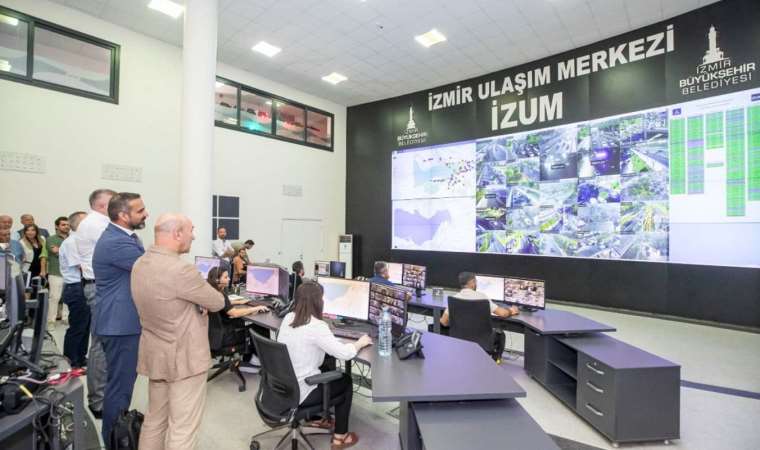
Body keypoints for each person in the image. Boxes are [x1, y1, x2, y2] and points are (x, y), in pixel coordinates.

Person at [131, 213, 226, 450]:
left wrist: (194, 302)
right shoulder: (181, 271)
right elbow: (217, 302)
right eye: (191, 230)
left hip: (156, 353)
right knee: (182, 428)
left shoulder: (140, 264)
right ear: (177, 234)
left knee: (154, 420)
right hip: (185, 358)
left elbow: (167, 300)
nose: (193, 236)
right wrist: (199, 301)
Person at [277, 281, 373, 449]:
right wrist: (360, 343)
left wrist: (329, 339)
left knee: (327, 368)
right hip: (302, 391)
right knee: (345, 381)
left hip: (281, 387)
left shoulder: (288, 318)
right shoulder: (317, 326)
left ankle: (319, 419)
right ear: (318, 302)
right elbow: (345, 354)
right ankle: (340, 437)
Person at [92, 192, 148, 444]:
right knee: (119, 388)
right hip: (120, 324)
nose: (146, 213)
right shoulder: (116, 242)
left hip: (120, 322)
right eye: (140, 210)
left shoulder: (124, 236)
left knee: (121, 385)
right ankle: (115, 441)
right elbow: (152, 269)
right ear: (123, 216)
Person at [75, 188, 116, 419]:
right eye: (114, 203)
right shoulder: (98, 225)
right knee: (101, 344)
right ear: (102, 205)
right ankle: (98, 401)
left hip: (98, 286)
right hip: (101, 288)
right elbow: (116, 254)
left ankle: (100, 396)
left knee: (101, 342)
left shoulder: (92, 223)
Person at [438, 272, 518, 360]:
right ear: (472, 282)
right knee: (501, 334)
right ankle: (496, 360)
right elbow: (503, 314)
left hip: (460, 341)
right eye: (475, 282)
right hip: (483, 342)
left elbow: (443, 322)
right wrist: (511, 310)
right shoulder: (482, 297)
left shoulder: (454, 298)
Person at [206, 266, 269, 369]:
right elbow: (234, 313)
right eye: (226, 277)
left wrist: (239, 301)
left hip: (215, 333)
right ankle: (251, 361)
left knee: (246, 321)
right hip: (225, 336)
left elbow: (225, 303)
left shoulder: (213, 291)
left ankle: (250, 358)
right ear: (217, 280)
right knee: (259, 328)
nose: (229, 279)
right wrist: (255, 308)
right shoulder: (220, 295)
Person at [59, 211, 90, 368]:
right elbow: (80, 266)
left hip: (83, 286)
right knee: (77, 326)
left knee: (85, 326)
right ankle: (71, 360)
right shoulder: (72, 242)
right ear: (78, 224)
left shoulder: (80, 241)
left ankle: (81, 357)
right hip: (76, 287)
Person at [46, 216, 70, 326]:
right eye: (63, 224)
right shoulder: (51, 239)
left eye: (67, 224)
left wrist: (61, 251)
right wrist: (70, 253)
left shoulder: (72, 238)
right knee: (54, 298)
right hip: (56, 273)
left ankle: (66, 318)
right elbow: (55, 252)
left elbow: (61, 252)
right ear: (57, 226)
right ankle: (51, 321)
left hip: (70, 273)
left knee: (68, 298)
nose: (66, 226)